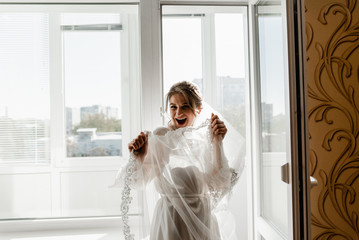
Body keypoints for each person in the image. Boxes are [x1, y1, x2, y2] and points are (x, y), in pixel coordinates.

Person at [117, 81, 244, 240]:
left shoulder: (206, 136)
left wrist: (217, 142)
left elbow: (218, 183)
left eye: (185, 106)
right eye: (173, 107)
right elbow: (140, 180)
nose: (178, 113)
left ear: (198, 109)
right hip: (172, 216)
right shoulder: (162, 136)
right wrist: (139, 157)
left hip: (201, 215)